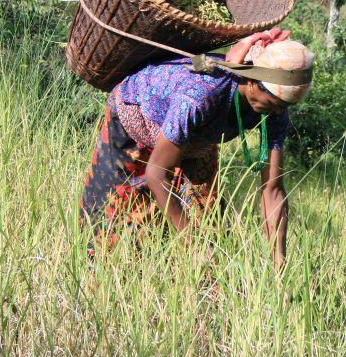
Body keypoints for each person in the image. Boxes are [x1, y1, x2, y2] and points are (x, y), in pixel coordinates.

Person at [79, 29, 314, 269]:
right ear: (252, 82)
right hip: (136, 119)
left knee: (210, 220)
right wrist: (192, 245)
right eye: (274, 104)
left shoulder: (275, 110)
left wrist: (279, 261)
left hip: (196, 137)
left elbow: (272, 190)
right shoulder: (201, 95)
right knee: (112, 221)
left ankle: (203, 280)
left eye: (283, 107)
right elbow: (156, 174)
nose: (277, 113)